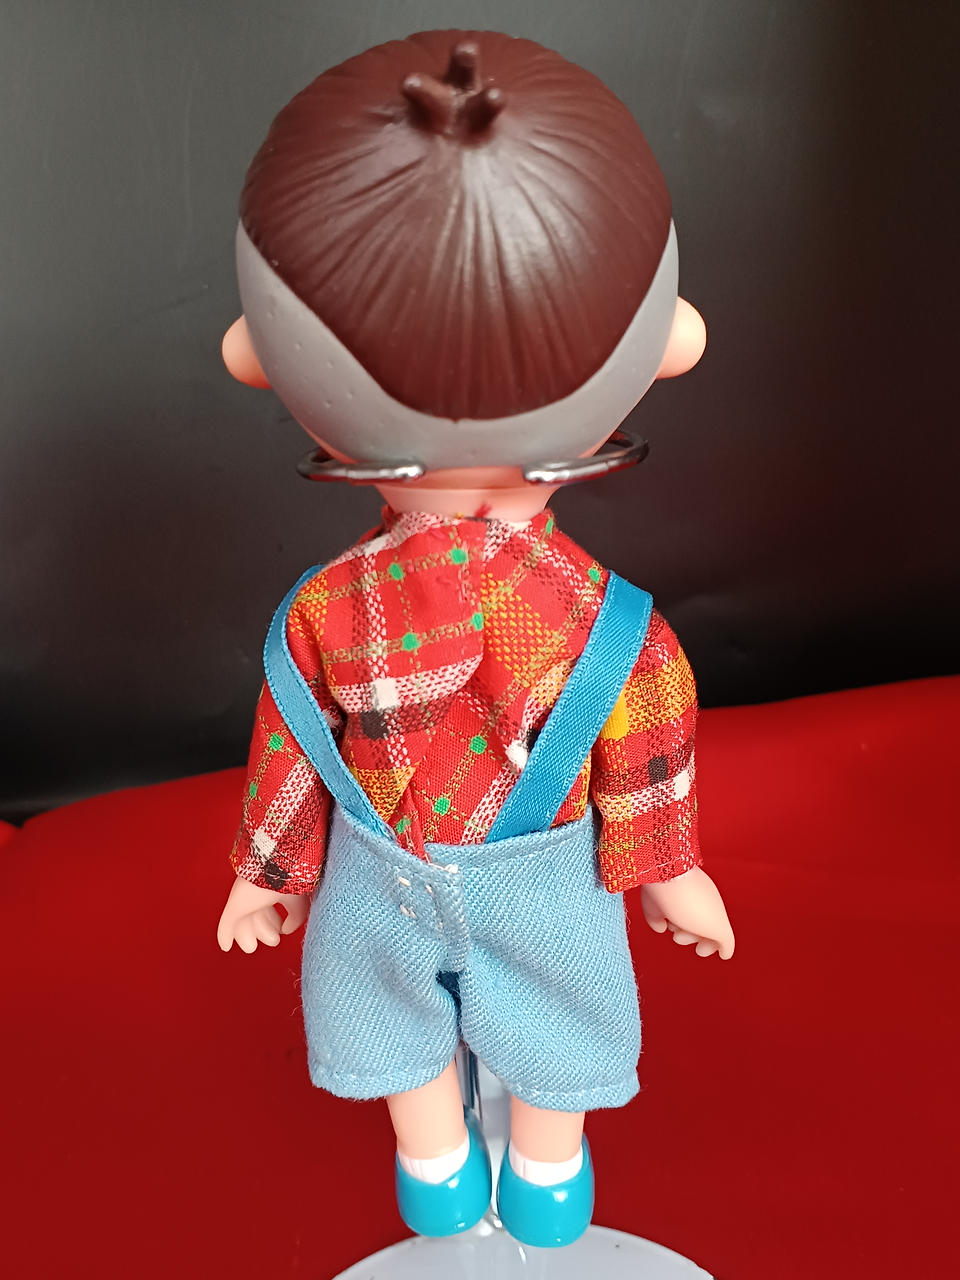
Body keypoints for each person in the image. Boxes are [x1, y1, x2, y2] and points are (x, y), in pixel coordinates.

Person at [216, 29, 734, 1249]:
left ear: (255, 358)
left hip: (476, 869)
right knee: (434, 1021)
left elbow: (642, 729)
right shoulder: (366, 612)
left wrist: (664, 861)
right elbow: (298, 723)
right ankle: (462, 1157)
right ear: (672, 339)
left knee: (524, 1023)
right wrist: (269, 867)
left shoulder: (372, 609)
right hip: (424, 866)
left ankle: (509, 1161)